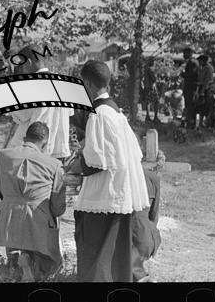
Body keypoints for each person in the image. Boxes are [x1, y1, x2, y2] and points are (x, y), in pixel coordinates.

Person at [71, 60, 150, 282]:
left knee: (95, 251)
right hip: (118, 191)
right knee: (114, 255)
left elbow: (95, 162)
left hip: (104, 194)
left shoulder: (98, 114)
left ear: (87, 83)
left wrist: (75, 164)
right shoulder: (115, 111)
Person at [0, 121, 66, 282]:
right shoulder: (54, 164)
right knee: (52, 267)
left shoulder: (3, 156)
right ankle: (32, 260)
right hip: (36, 221)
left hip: (8, 220)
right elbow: (57, 205)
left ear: (25, 138)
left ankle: (16, 259)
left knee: (19, 231)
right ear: (45, 142)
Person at [6, 54, 73, 163]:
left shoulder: (32, 85)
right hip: (59, 149)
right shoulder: (64, 82)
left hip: (36, 151)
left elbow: (19, 116)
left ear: (28, 62)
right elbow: (70, 112)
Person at [132, 169, 161, 283]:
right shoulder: (151, 177)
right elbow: (154, 215)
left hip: (129, 242)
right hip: (147, 239)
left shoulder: (113, 175)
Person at [180, 47, 199, 129]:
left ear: (190, 53)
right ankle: (190, 123)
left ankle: (189, 124)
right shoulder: (193, 62)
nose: (183, 55)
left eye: (185, 53)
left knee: (189, 106)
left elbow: (191, 74)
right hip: (190, 87)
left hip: (190, 87)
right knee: (189, 106)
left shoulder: (192, 62)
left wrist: (183, 74)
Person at [196, 55, 215, 128]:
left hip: (207, 89)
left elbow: (207, 81)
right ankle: (201, 123)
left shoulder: (208, 68)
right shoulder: (203, 67)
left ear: (203, 61)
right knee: (202, 106)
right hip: (203, 88)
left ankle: (207, 123)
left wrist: (202, 91)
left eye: (200, 61)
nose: (199, 62)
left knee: (206, 106)